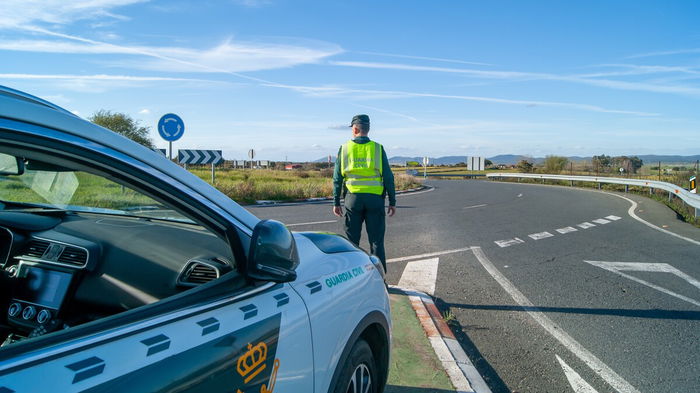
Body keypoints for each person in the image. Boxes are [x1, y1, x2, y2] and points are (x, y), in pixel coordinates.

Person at [332, 114, 396, 272]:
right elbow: (388, 177)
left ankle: (353, 276)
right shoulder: (377, 148)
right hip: (375, 199)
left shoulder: (345, 148)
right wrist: (392, 201)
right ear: (368, 129)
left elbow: (337, 178)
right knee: (376, 242)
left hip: (352, 199)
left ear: (354, 129)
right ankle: (380, 279)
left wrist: (336, 202)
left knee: (352, 242)